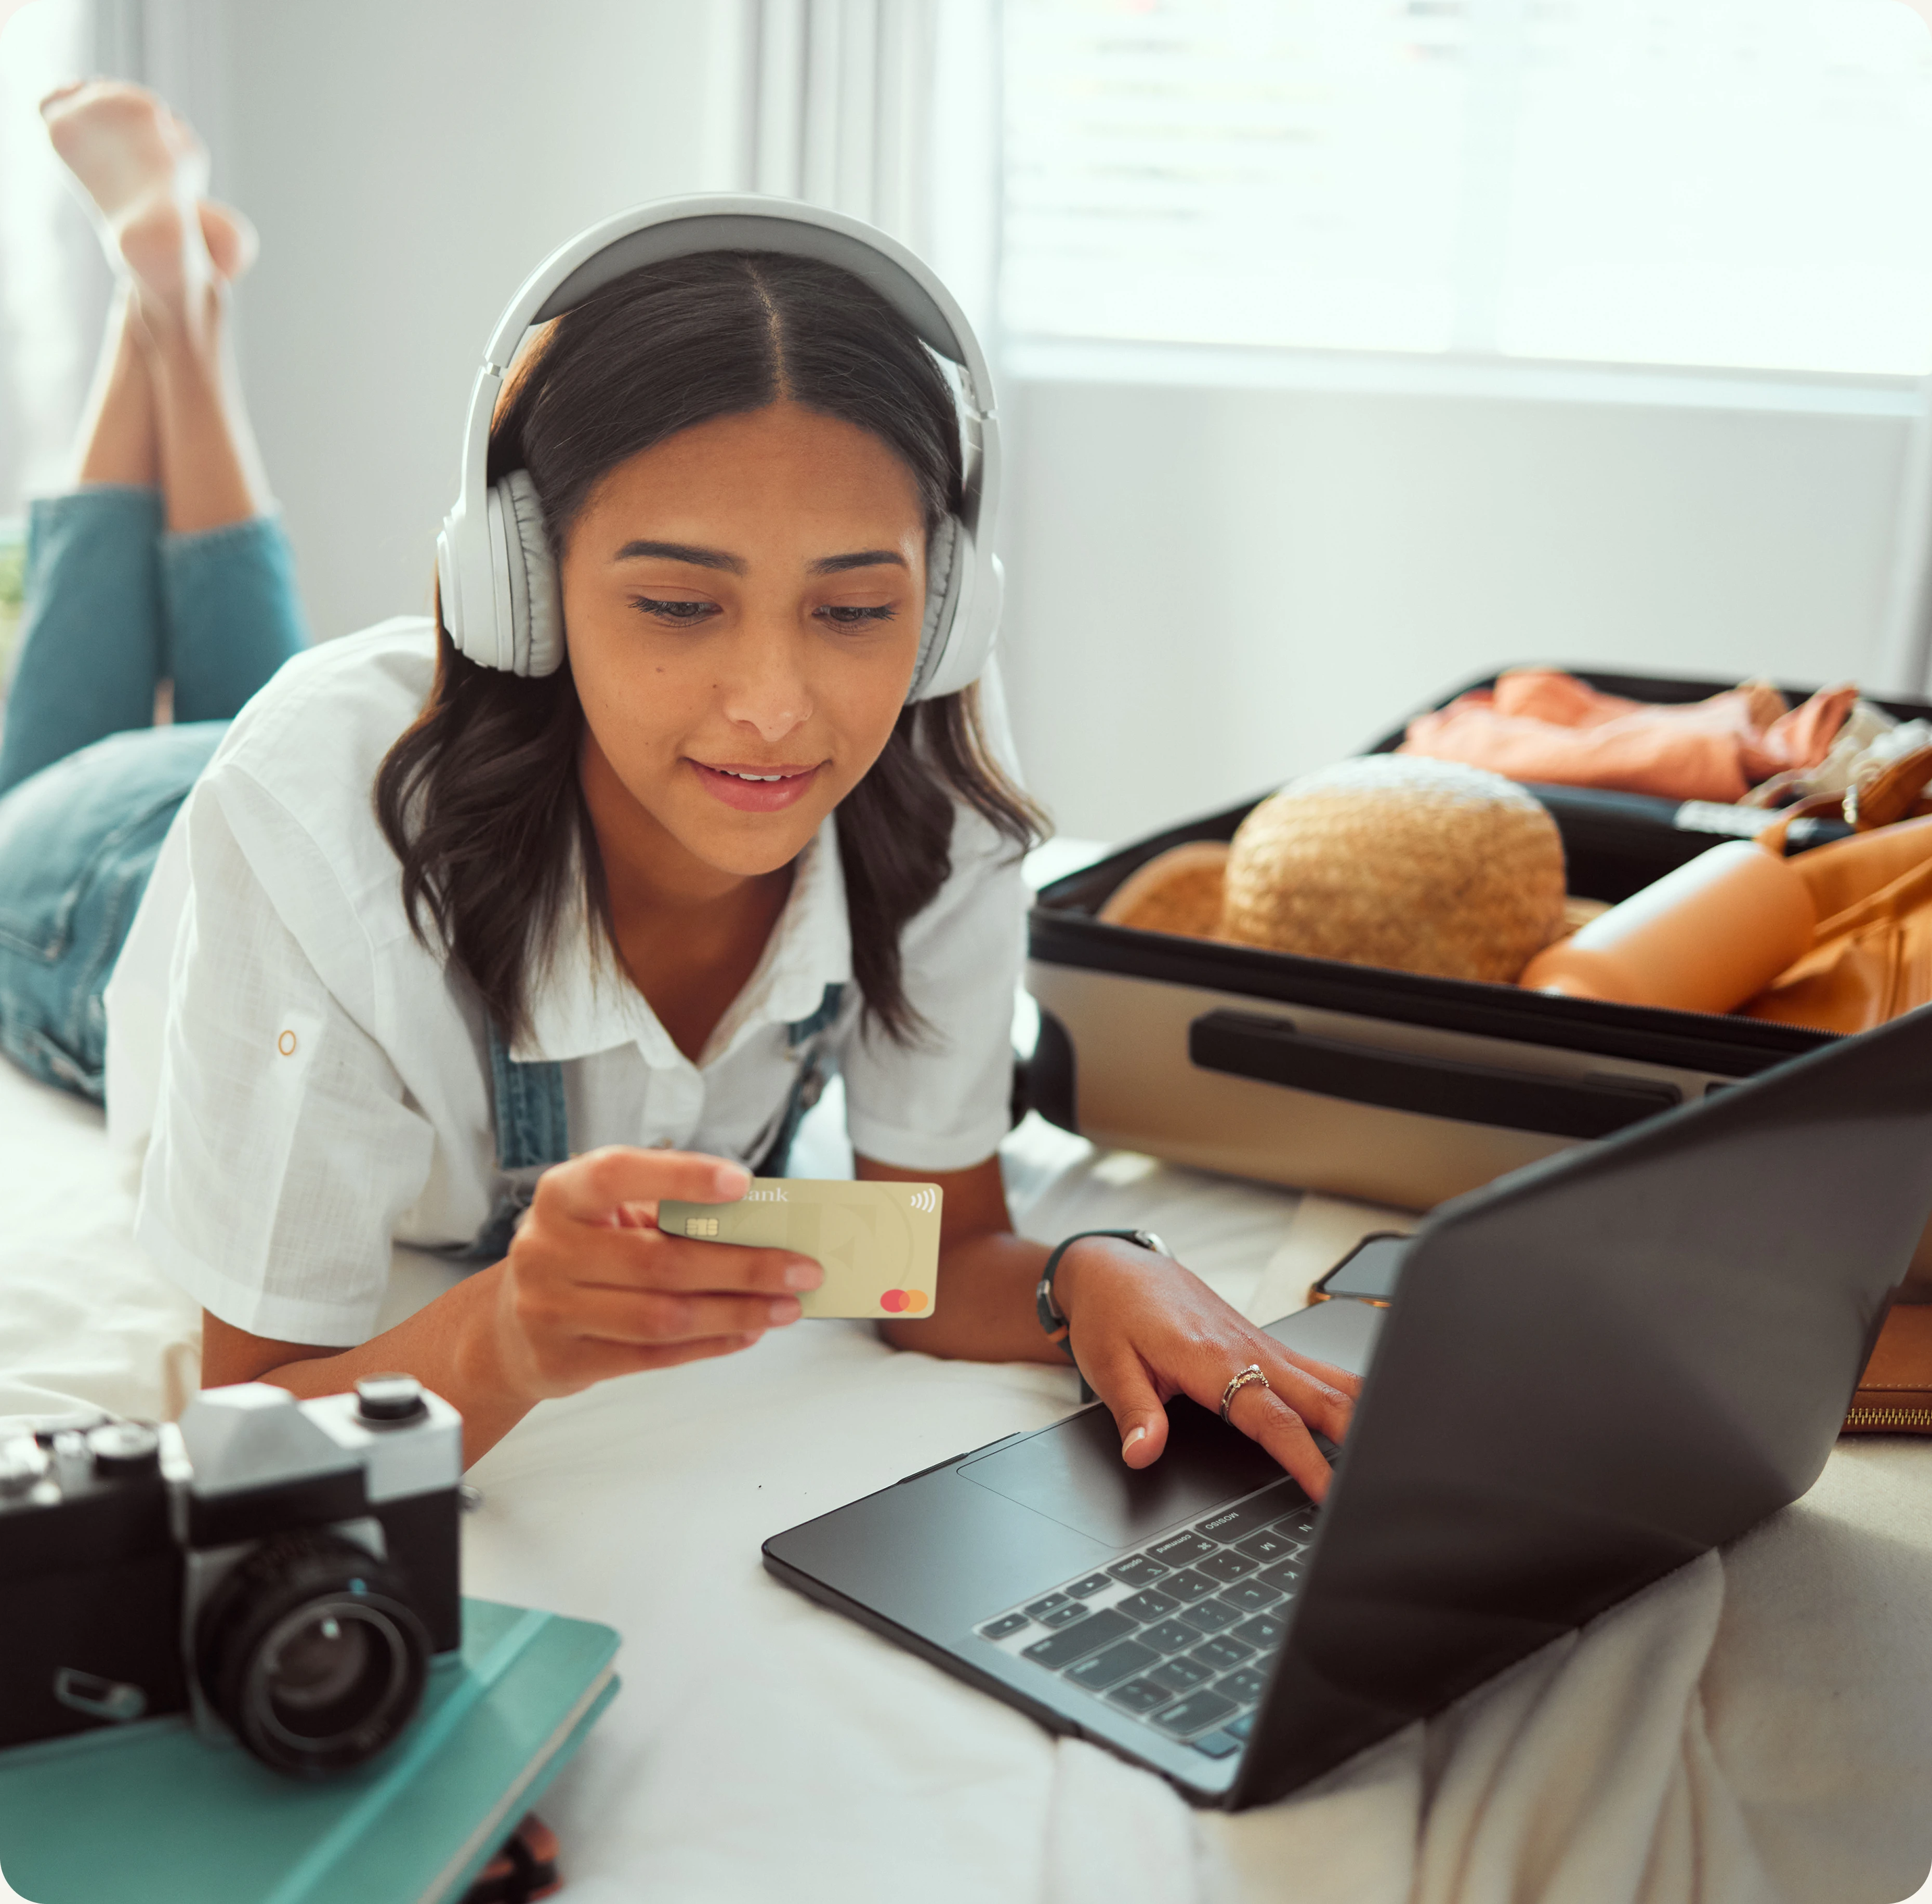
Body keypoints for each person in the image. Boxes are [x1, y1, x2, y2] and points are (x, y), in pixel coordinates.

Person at [0, 81, 1361, 1486]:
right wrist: (506, 1336)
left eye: (850, 612)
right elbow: (256, 1425)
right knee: (58, 747)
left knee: (252, 685)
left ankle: (176, 298)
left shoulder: (935, 786)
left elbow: (928, 1247)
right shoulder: (313, 818)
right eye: (674, 605)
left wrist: (1081, 1270)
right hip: (83, 882)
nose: (775, 709)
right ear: (521, 592)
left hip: (357, 774)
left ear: (945, 609)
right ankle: (160, 302)